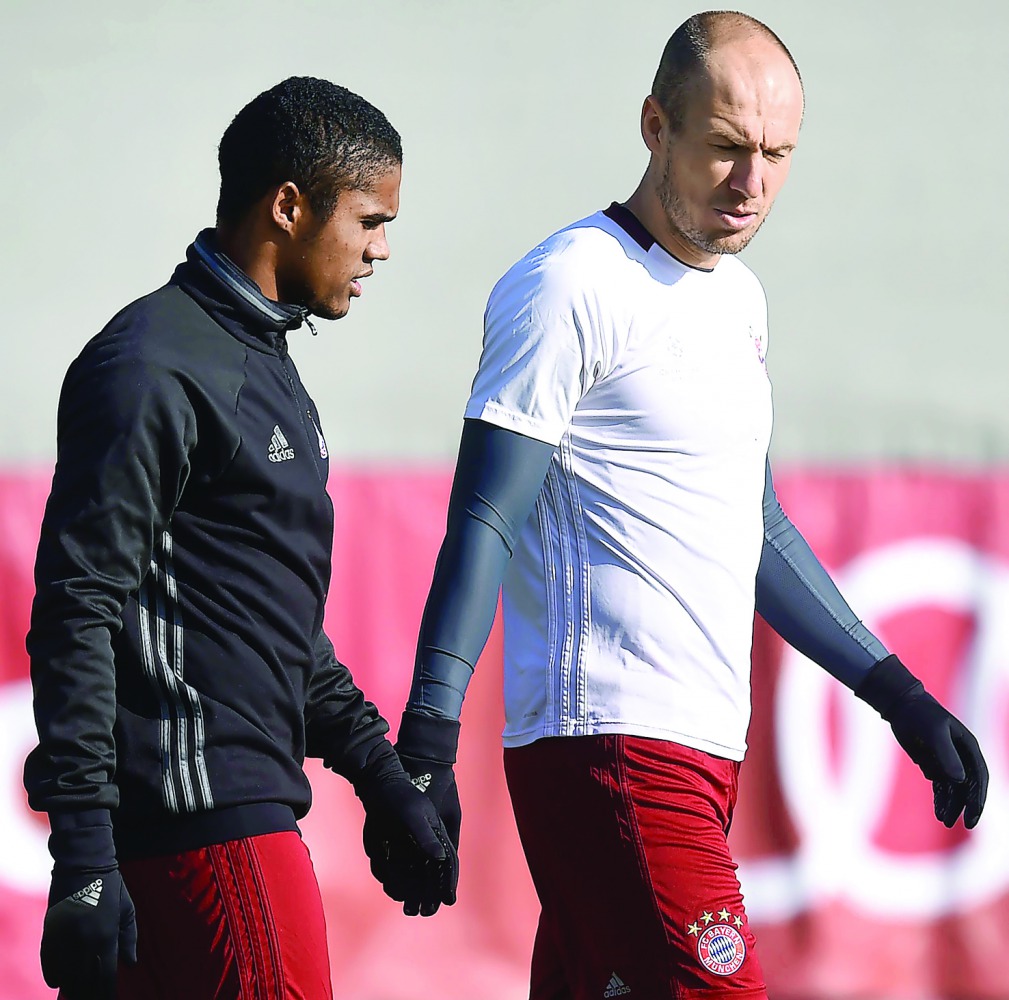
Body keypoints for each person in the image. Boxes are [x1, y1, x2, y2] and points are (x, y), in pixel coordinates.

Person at [390, 12, 988, 1000]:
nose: (750, 180)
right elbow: (483, 518)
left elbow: (759, 530)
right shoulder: (569, 281)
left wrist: (902, 698)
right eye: (723, 147)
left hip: (697, 758)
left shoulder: (737, 299)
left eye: (776, 153)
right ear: (653, 125)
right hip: (614, 748)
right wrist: (426, 733)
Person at [24, 76, 456, 1000]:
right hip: (204, 838)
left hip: (225, 823)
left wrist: (380, 776)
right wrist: (85, 860)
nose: (383, 249)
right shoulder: (150, 365)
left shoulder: (264, 363)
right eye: (370, 220)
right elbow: (77, 608)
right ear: (290, 207)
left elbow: (275, 632)